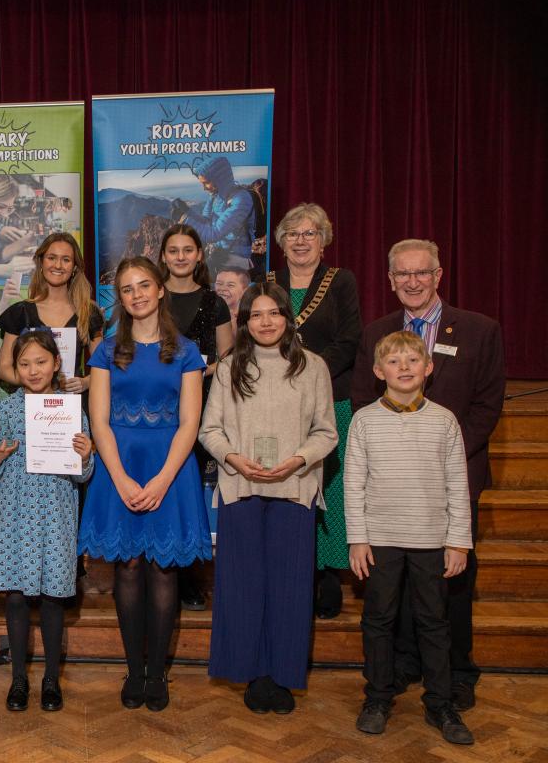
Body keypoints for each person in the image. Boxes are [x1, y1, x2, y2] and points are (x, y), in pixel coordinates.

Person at [350, 239, 504, 712]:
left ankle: (456, 673)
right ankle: (401, 663)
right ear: (390, 279)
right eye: (402, 274)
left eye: (421, 273)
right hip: (390, 485)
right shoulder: (376, 331)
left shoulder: (479, 330)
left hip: (451, 477)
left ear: (438, 275)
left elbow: (486, 405)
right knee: (390, 585)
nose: (412, 282)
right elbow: (360, 399)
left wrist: (446, 458)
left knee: (449, 585)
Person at [77, 257, 211, 712]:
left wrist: (161, 480)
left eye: (143, 286)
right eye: (127, 288)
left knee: (163, 570)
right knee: (128, 568)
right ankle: (134, 670)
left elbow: (191, 423)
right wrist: (120, 478)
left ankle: (158, 675)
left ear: (159, 290)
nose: (136, 295)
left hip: (170, 469)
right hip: (120, 466)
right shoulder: (106, 350)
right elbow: (99, 420)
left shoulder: (187, 350)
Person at [198, 282, 338, 714]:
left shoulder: (313, 367)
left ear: (286, 317)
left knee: (290, 588)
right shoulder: (228, 369)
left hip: (294, 489)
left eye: (273, 313)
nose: (265, 322)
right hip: (242, 488)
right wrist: (235, 460)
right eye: (256, 315)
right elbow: (209, 431)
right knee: (243, 586)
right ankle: (251, 673)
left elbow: (327, 432)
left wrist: (297, 461)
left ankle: (282, 675)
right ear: (245, 322)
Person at [346, 330, 474, 745]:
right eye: (394, 362)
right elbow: (354, 483)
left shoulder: (444, 420)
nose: (404, 368)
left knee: (434, 623)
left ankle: (440, 703)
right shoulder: (364, 419)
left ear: (428, 367)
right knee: (378, 620)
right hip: (380, 539)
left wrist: (458, 540)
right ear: (378, 371)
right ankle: (378, 698)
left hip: (431, 540)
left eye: (412, 360)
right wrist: (358, 539)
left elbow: (458, 483)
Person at [0, 330, 94, 712]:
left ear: (57, 363)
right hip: (14, 513)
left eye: (41, 362)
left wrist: (84, 455)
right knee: (16, 597)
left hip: (55, 512)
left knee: (52, 598)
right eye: (25, 363)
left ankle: (50, 679)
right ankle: (18, 680)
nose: (33, 370)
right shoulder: (5, 409)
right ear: (15, 368)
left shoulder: (71, 409)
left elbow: (83, 474)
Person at [267, 203, 361, 619]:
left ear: (324, 240)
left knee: (331, 488)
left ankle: (327, 577)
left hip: (330, 401)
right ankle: (296, 569)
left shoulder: (341, 282)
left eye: (310, 233)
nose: (301, 241)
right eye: (293, 233)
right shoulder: (268, 283)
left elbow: (348, 339)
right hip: (277, 402)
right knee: (290, 483)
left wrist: (312, 379)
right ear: (281, 242)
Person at [158, 224, 234, 611]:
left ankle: (189, 577)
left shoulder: (214, 303)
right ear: (164, 256)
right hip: (154, 409)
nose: (181, 256)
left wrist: (198, 372)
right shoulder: (151, 299)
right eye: (174, 250)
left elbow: (228, 357)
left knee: (188, 492)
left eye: (189, 249)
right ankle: (161, 570)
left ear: (200, 255)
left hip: (201, 405)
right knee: (163, 489)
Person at [0, 233, 102, 393]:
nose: (58, 265)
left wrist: (86, 382)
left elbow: (104, 365)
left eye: (66, 260)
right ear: (41, 262)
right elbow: (3, 368)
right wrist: (34, 380)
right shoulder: (20, 313)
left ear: (74, 267)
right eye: (51, 258)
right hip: (31, 407)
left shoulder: (88, 312)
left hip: (72, 408)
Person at [172, 156, 255, 272]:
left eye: (206, 183)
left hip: (237, 259)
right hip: (221, 254)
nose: (204, 188)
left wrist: (185, 219)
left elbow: (213, 234)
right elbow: (206, 221)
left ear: (219, 179)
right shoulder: (216, 197)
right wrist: (187, 211)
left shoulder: (241, 199)